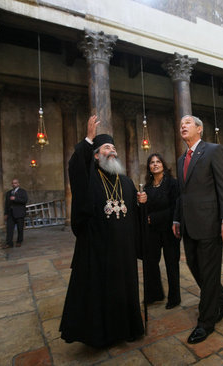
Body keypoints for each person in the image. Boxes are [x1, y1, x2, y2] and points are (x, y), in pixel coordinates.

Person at [59, 115, 147, 348]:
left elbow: (132, 214)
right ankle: (103, 336)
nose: (113, 151)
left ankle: (128, 329)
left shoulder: (126, 181)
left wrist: (141, 203)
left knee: (125, 290)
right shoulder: (88, 177)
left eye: (114, 147)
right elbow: (75, 166)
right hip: (98, 249)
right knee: (101, 293)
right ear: (96, 155)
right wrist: (88, 138)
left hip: (124, 251)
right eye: (107, 147)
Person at [173, 115, 223, 344]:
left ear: (199, 128)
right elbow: (183, 194)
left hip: (210, 223)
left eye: (187, 123)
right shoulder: (181, 160)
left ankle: (206, 322)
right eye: (181, 124)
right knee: (195, 266)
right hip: (189, 225)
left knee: (209, 272)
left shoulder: (213, 150)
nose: (182, 126)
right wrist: (177, 220)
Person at [143, 153, 181, 309]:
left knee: (171, 263)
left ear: (163, 165)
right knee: (150, 262)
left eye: (158, 161)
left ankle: (175, 297)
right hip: (153, 231)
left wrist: (154, 217)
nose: (155, 164)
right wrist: (141, 204)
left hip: (169, 229)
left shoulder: (173, 184)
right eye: (152, 163)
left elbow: (176, 208)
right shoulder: (147, 187)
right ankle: (154, 294)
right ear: (149, 168)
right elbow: (146, 209)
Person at [3, 178, 28, 248]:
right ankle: (9, 243)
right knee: (9, 229)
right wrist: (5, 213)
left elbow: (25, 200)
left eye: (15, 183)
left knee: (20, 229)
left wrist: (15, 199)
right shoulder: (9, 193)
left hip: (19, 213)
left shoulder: (22, 191)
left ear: (18, 184)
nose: (14, 184)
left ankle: (19, 241)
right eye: (13, 183)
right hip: (10, 214)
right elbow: (6, 204)